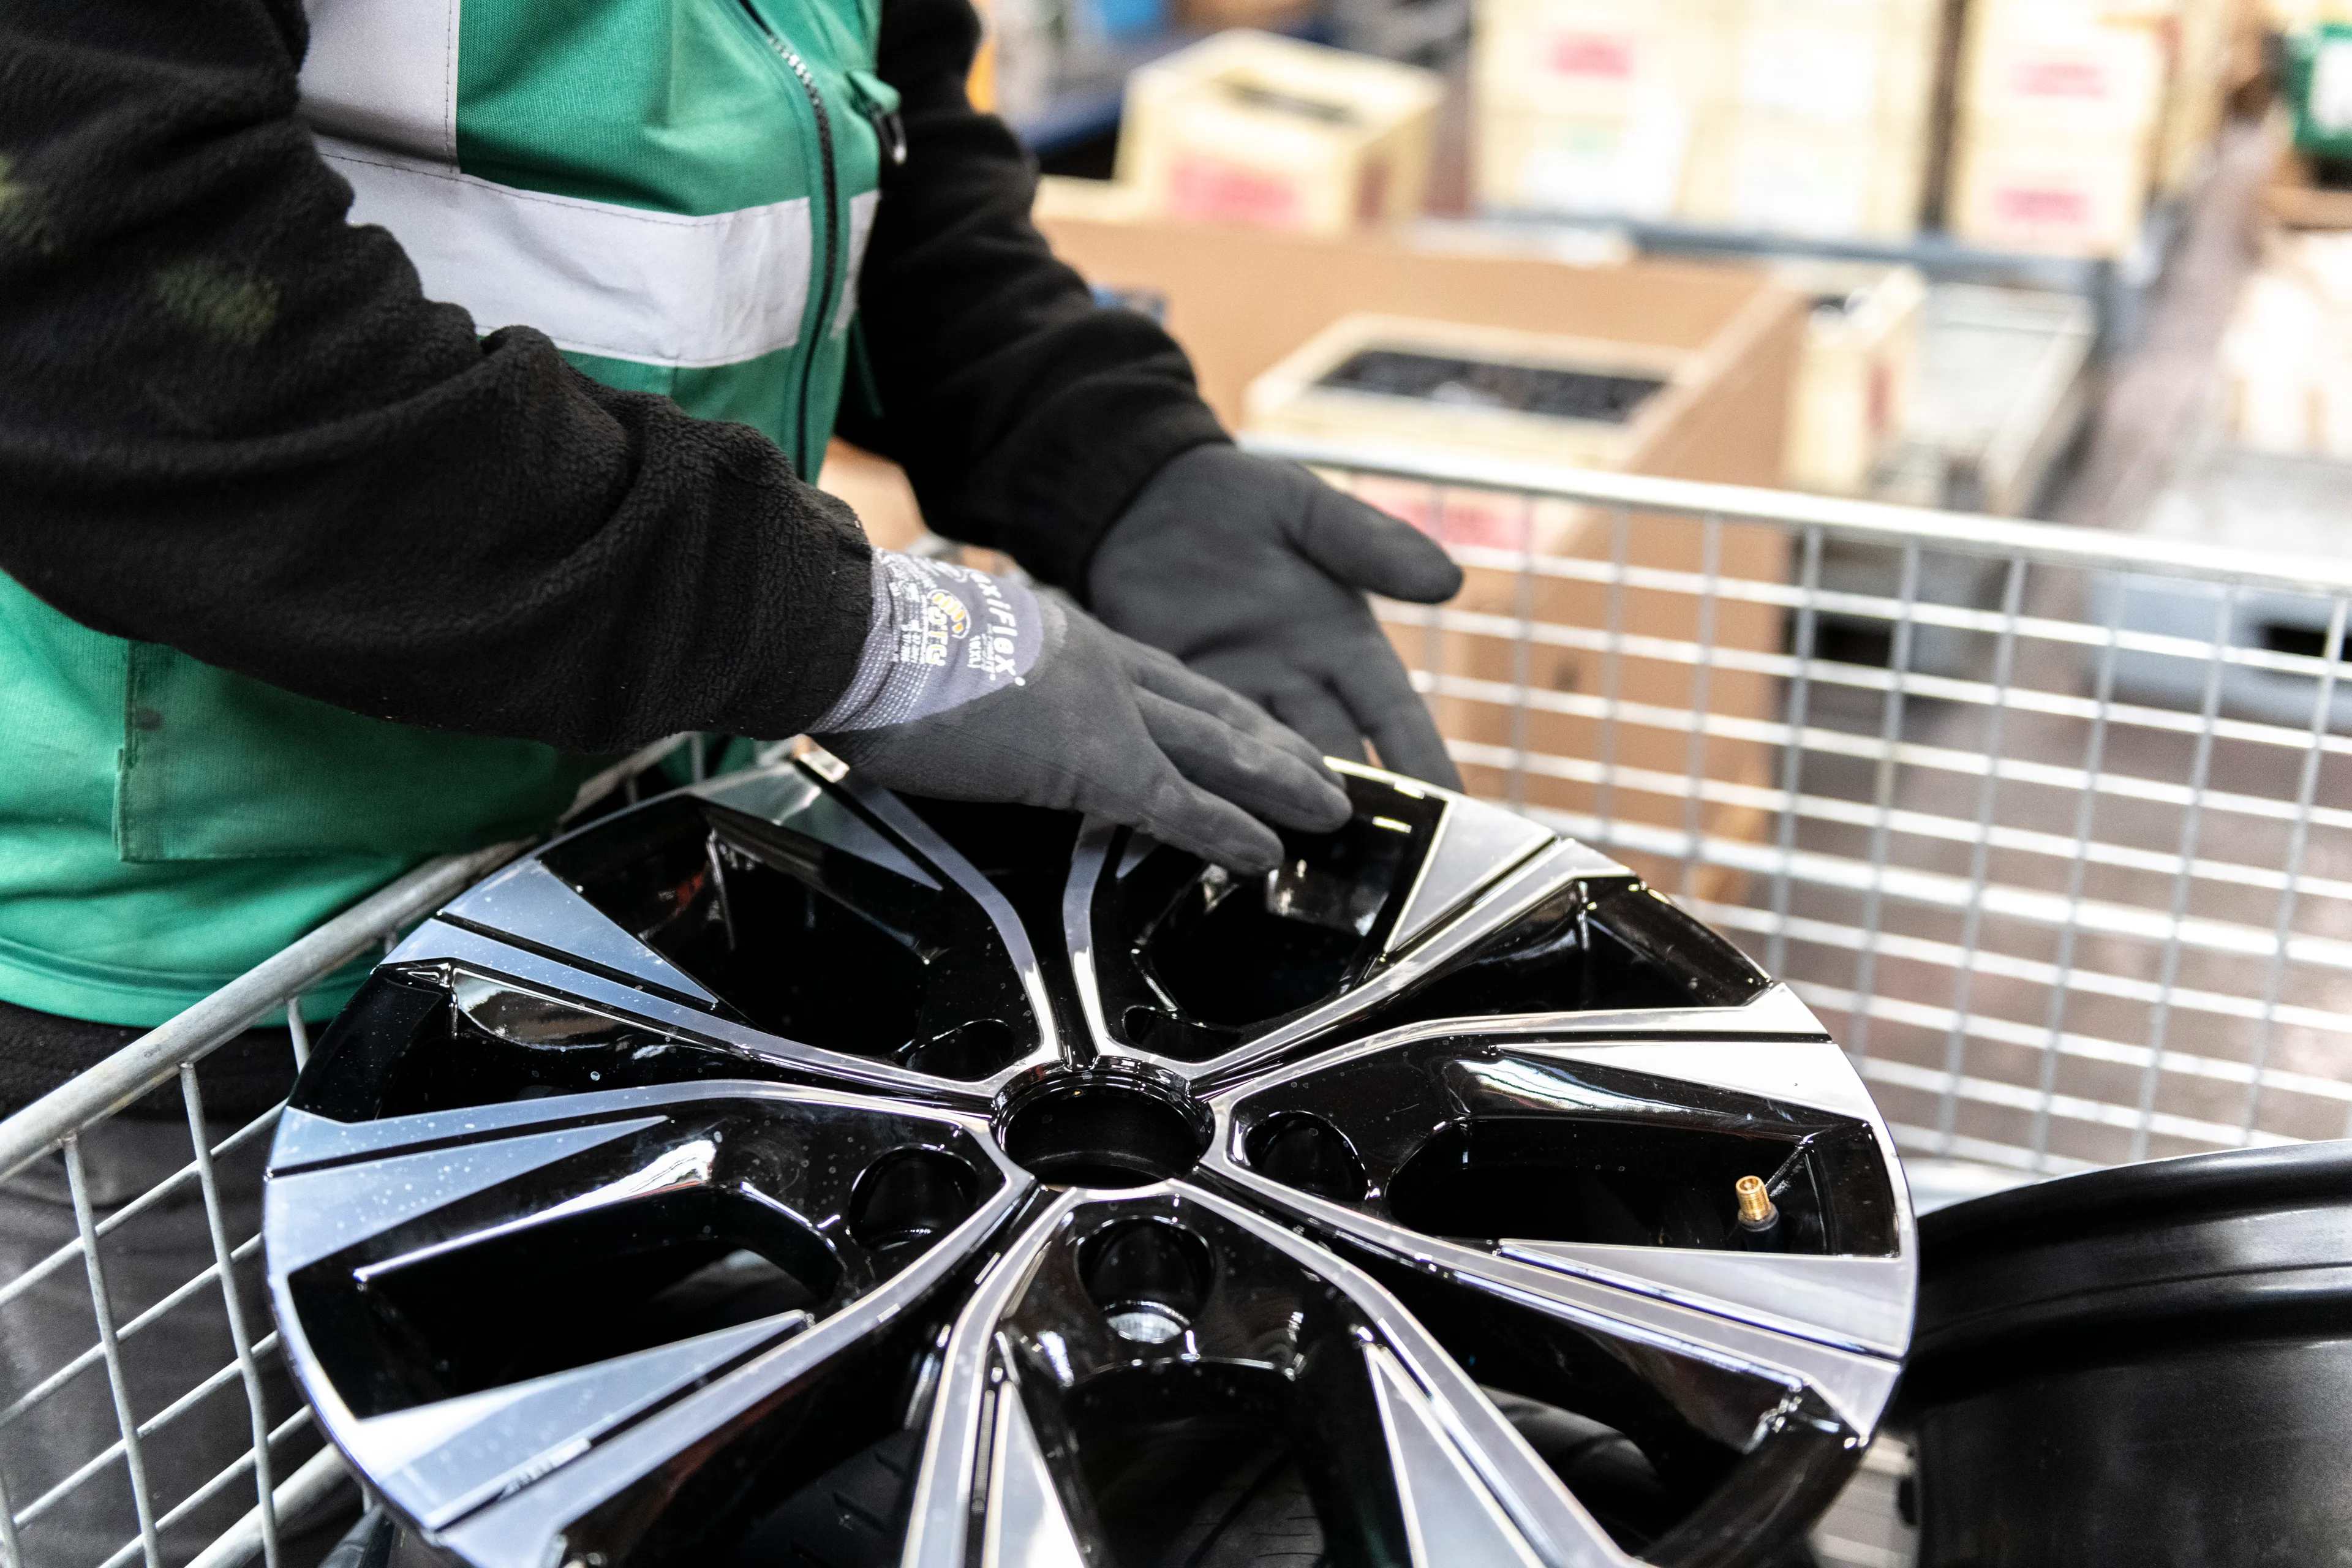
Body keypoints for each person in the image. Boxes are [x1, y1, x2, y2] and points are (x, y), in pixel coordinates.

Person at [0, 0, 1464, 1560]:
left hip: (648, 907)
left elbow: (855, 116)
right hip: (209, 999)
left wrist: (1092, 438)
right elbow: (103, 303)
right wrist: (842, 633)